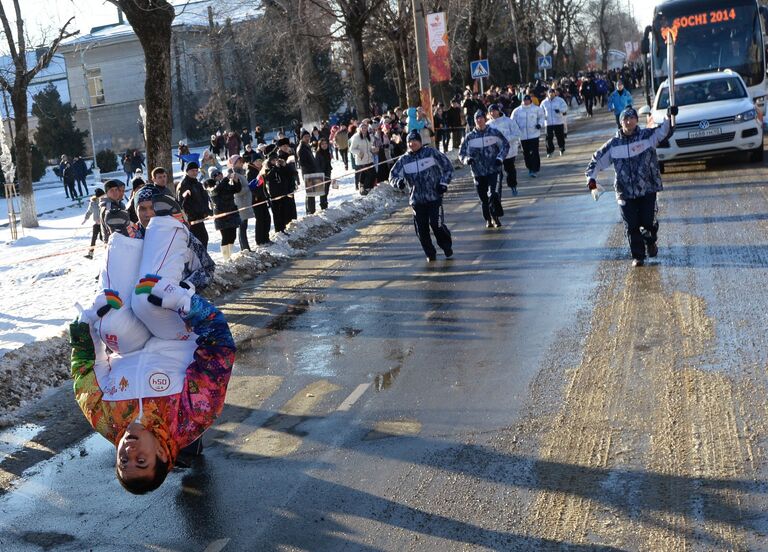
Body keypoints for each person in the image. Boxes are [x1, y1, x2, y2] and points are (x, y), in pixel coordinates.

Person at [69, 255, 234, 493]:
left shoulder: (106, 420)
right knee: (147, 299)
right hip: (175, 336)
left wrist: (86, 322)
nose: (129, 453)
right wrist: (185, 303)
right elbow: (220, 350)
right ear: (161, 454)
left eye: (123, 462)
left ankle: (123, 237)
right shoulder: (191, 418)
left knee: (110, 322)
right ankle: (165, 222)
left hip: (130, 345)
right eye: (141, 461)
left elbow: (84, 368)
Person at [585, 105, 677, 267]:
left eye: (631, 118)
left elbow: (665, 132)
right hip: (624, 191)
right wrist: (591, 180)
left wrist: (671, 117)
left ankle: (650, 242)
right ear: (621, 122)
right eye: (625, 119)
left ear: (636, 119)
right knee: (631, 225)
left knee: (648, 222)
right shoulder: (613, 145)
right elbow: (596, 161)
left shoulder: (647, 136)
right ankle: (638, 256)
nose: (629, 122)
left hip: (647, 187)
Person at [389, 130, 454, 261]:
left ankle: (446, 246)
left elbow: (448, 167)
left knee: (436, 225)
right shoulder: (404, 160)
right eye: (409, 141)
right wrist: (398, 182)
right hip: (417, 200)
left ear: (420, 141)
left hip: (434, 197)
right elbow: (392, 176)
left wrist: (443, 183)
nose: (412, 143)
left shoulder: (430, 153)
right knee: (421, 229)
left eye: (415, 141)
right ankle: (430, 253)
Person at [459, 109, 510, 228]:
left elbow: (505, 145)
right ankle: (488, 219)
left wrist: (500, 158)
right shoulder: (470, 137)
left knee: (493, 194)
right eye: (477, 118)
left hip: (494, 170)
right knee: (483, 198)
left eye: (481, 117)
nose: (479, 120)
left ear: (485, 119)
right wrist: (467, 160)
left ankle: (495, 217)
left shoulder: (494, 132)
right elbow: (461, 153)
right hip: (478, 172)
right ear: (475, 121)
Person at [205, 168, 241, 261]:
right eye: (216, 175)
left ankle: (230, 256)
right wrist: (226, 179)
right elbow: (216, 191)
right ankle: (226, 258)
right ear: (213, 177)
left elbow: (237, 189)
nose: (219, 175)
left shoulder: (225, 184)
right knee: (225, 236)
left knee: (233, 236)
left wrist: (236, 181)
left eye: (219, 173)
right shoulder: (211, 185)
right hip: (221, 215)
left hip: (231, 212)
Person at [487, 103, 522, 197]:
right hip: (495, 153)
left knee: (510, 170)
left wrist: (506, 139)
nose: (493, 113)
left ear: (498, 111)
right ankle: (497, 191)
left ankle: (513, 186)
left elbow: (517, 133)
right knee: (497, 173)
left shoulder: (508, 121)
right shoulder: (488, 125)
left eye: (494, 111)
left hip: (509, 151)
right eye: (491, 111)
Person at [177, 162, 212, 247]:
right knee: (197, 242)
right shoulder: (184, 185)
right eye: (192, 170)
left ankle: (203, 259)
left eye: (196, 171)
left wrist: (207, 211)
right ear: (187, 171)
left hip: (200, 217)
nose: (195, 172)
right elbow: (182, 203)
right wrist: (191, 215)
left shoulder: (198, 184)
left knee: (204, 239)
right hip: (191, 220)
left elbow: (203, 199)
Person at [511, 95, 545, 178]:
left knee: (534, 152)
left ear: (530, 101)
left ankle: (535, 168)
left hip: (534, 134)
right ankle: (530, 168)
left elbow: (541, 117)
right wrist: (516, 128)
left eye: (527, 100)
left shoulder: (536, 109)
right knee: (526, 153)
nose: (526, 102)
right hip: (522, 136)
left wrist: (539, 124)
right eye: (524, 100)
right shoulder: (517, 111)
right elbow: (512, 121)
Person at [229, 155, 252, 252]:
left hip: (245, 203)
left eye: (242, 162)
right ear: (234, 164)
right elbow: (237, 191)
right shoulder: (235, 175)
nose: (241, 164)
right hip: (240, 204)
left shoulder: (241, 173)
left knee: (244, 227)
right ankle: (245, 248)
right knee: (242, 227)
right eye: (239, 162)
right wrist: (249, 187)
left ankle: (246, 247)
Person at [247, 158, 272, 245]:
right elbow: (251, 187)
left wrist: (267, 196)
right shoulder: (250, 172)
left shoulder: (261, 171)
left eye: (260, 161)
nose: (259, 162)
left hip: (263, 198)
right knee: (260, 220)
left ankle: (266, 238)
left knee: (267, 218)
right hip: (256, 200)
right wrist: (258, 195)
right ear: (253, 162)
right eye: (256, 161)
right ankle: (260, 240)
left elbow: (264, 186)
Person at [349, 121, 376, 195]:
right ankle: (366, 189)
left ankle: (364, 188)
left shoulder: (369, 137)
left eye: (365, 128)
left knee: (369, 174)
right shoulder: (356, 137)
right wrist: (359, 152)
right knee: (370, 174)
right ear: (360, 129)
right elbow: (351, 149)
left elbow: (370, 147)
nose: (364, 129)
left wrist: (373, 149)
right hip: (361, 159)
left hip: (369, 159)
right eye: (362, 128)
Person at [540, 88, 568, 158]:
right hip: (548, 122)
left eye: (552, 93)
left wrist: (560, 110)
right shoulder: (544, 102)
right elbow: (540, 111)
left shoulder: (560, 100)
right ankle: (550, 151)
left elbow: (565, 108)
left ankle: (561, 148)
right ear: (547, 94)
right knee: (548, 137)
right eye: (550, 93)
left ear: (554, 93)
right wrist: (543, 117)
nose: (551, 94)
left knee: (560, 136)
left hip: (558, 121)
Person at [82, 188, 105, 259]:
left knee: (102, 238)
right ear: (98, 196)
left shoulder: (106, 202)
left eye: (104, 195)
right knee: (93, 238)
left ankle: (109, 250)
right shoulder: (93, 203)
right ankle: (90, 254)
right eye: (102, 196)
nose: (103, 197)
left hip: (104, 224)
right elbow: (89, 212)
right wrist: (85, 219)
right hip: (96, 224)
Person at [313, 137, 333, 211]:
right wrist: (323, 175)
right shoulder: (318, 153)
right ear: (319, 145)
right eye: (322, 144)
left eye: (325, 144)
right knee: (323, 192)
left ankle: (325, 204)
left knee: (326, 191)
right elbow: (317, 165)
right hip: (322, 175)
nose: (324, 145)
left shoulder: (327, 152)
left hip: (328, 174)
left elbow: (328, 164)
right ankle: (323, 206)